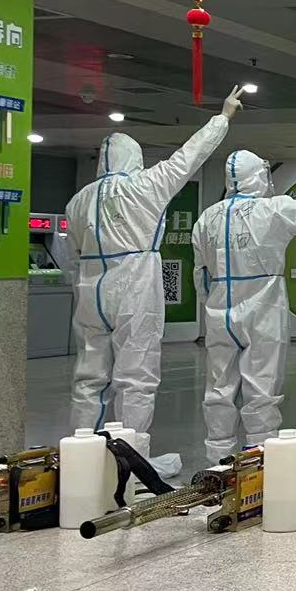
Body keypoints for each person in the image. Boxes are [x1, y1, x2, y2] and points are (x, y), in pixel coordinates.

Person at [67, 84, 243, 438]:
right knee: (136, 377)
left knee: (89, 377)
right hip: (134, 284)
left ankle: (82, 451)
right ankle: (130, 455)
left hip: (90, 287)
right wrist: (223, 118)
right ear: (133, 158)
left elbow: (71, 254)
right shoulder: (145, 186)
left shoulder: (79, 200)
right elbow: (188, 156)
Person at [192, 141, 296, 465]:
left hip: (219, 308)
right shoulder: (272, 210)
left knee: (219, 387)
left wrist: (210, 305)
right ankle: (258, 461)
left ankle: (219, 461)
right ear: (258, 176)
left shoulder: (207, 217)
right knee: (262, 387)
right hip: (263, 306)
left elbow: (199, 272)